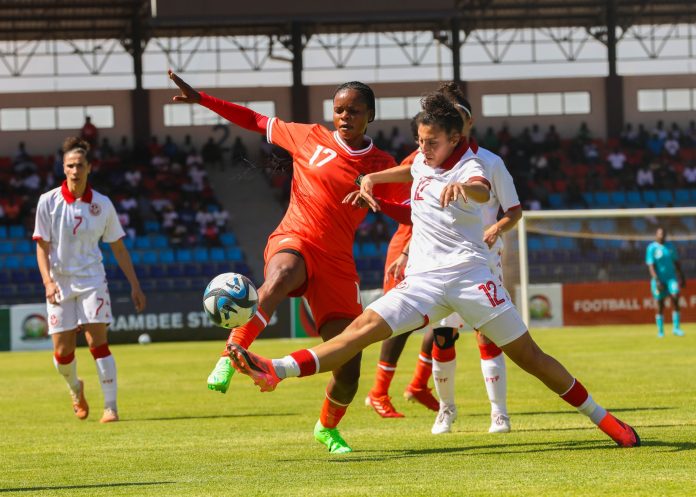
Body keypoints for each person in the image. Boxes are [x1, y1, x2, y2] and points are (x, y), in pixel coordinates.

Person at [227, 92, 640, 450]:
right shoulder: (425, 159)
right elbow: (411, 171)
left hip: (471, 279)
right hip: (423, 282)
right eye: (419, 141)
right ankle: (276, 369)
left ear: (456, 139)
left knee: (530, 357)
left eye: (432, 142)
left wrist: (469, 191)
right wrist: (371, 179)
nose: (423, 149)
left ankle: (603, 419)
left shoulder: (472, 167)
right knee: (360, 331)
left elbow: (479, 187)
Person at [168, 70, 401, 453]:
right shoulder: (309, 136)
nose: (344, 117)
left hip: (338, 263)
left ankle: (327, 427)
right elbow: (255, 120)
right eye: (339, 110)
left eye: (354, 111)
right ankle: (231, 354)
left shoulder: (382, 164)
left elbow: (408, 208)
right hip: (296, 237)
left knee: (349, 367)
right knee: (281, 276)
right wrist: (204, 100)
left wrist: (382, 202)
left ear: (370, 115)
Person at [420, 82, 522, 435]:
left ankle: (499, 413)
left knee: (487, 334)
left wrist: (495, 229)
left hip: (482, 260)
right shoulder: (427, 162)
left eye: (458, 117)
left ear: (467, 121)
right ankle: (446, 410)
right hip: (440, 262)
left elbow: (514, 211)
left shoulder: (490, 163)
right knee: (443, 337)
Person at [33, 137, 146, 423]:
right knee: (62, 352)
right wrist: (47, 281)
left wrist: (135, 284)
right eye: (70, 165)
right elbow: (42, 246)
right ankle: (75, 389)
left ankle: (111, 407)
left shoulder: (102, 204)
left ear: (89, 167)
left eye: (80, 165)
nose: (75, 170)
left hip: (93, 280)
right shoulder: (48, 202)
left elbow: (118, 247)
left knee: (98, 342)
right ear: (63, 168)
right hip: (59, 283)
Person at [364, 116, 439, 419]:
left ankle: (419, 384)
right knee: (399, 322)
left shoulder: (452, 159)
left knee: (447, 321)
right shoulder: (417, 162)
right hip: (409, 245)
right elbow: (408, 211)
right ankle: (378, 392)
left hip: (438, 249)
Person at [646, 227, 686, 338]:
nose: (662, 235)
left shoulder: (670, 247)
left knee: (676, 297)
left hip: (671, 279)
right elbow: (651, 265)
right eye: (660, 233)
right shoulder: (652, 248)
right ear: (656, 235)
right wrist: (656, 279)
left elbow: (676, 262)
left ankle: (676, 328)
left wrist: (681, 276)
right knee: (660, 304)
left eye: (663, 233)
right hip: (659, 279)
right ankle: (660, 331)